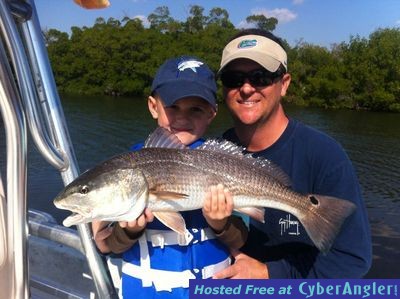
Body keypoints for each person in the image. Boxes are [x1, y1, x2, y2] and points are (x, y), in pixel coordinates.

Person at [212, 28, 372, 279]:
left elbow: (351, 260)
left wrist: (270, 274)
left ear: (284, 84)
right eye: (233, 78)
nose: (246, 88)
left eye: (260, 77)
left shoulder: (325, 155)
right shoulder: (212, 152)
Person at [91, 55, 248, 298]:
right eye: (173, 106)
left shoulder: (226, 165)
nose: (182, 117)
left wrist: (221, 224)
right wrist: (128, 232)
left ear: (211, 114)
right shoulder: (123, 170)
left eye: (196, 109)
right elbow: (103, 242)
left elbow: (240, 239)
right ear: (154, 106)